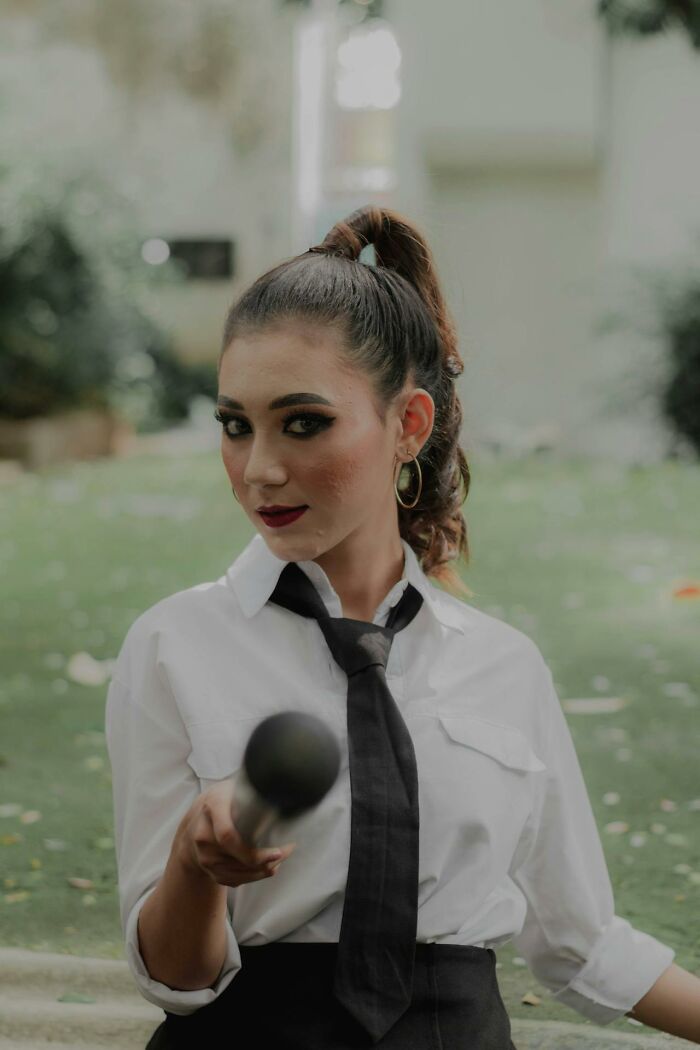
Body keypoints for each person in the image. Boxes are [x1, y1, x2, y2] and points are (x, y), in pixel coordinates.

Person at [105, 204, 689, 1050]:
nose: (260, 469)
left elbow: (581, 943)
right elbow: (177, 978)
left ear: (407, 425)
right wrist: (195, 866)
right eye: (236, 425)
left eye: (303, 422)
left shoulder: (504, 667)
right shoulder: (172, 646)